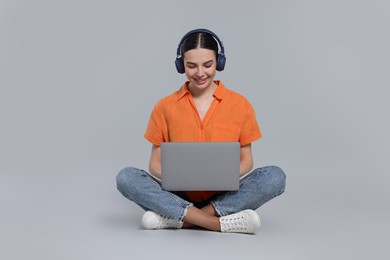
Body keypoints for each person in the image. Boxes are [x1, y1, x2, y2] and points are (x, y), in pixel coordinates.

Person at [116, 28, 286, 234]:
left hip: (223, 194)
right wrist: (182, 177)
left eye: (208, 65)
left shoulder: (240, 104)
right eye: (191, 66)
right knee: (126, 178)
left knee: (275, 177)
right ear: (181, 66)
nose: (200, 73)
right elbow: (154, 164)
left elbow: (247, 161)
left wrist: (218, 176)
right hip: (177, 194)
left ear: (219, 63)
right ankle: (217, 223)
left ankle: (179, 219)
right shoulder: (164, 106)